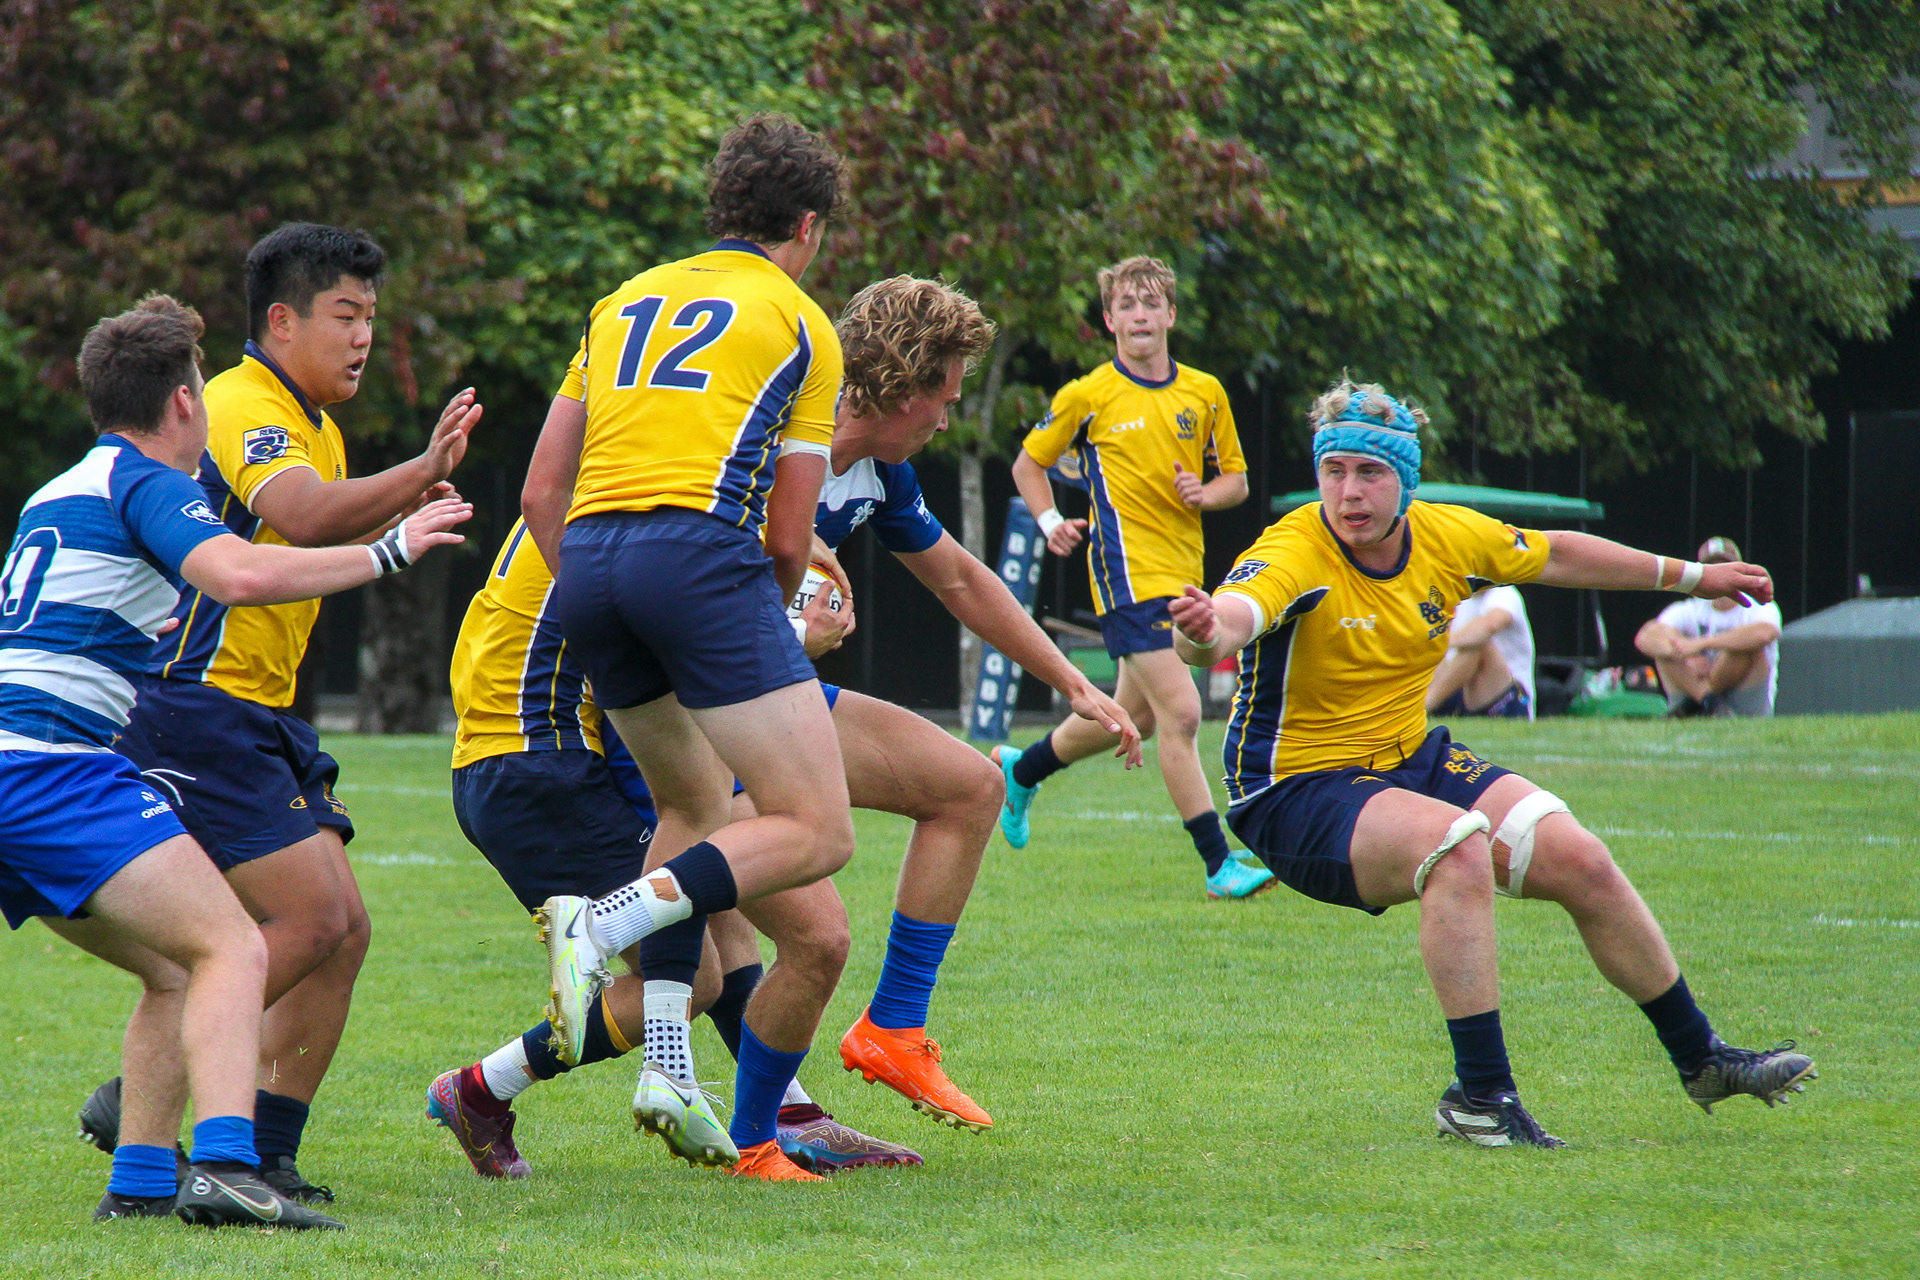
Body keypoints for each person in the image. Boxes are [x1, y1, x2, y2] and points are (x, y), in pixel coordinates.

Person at [1165, 378, 1817, 1147]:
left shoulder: (1445, 535)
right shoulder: (1293, 548)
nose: (1348, 491)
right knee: (1458, 848)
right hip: (1292, 790)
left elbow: (1557, 554)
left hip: (1407, 757)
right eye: (1332, 471)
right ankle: (1481, 1097)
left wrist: (1696, 577)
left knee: (1582, 859)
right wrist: (1202, 632)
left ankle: (1701, 1058)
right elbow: (1233, 619)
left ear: (1406, 479)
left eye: (1370, 472)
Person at [3, 295, 466, 1226]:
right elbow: (243, 573)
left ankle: (139, 1185)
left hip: (23, 767)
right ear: (184, 402)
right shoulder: (148, 481)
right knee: (234, 945)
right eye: (204, 392)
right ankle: (224, 1167)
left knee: (179, 967)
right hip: (50, 774)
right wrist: (388, 552)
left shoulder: (58, 490)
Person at [710, 277, 1141, 1159]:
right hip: (689, 721)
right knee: (791, 947)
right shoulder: (759, 442)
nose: (947, 418)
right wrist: (795, 635)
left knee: (971, 787)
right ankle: (741, 1139)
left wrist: (1072, 683)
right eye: (943, 397)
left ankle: (894, 1029)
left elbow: (960, 578)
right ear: (899, 387)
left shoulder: (880, 472)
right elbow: (690, 593)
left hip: (772, 700)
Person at [517, 114, 867, 1183]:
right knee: (818, 829)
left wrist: (598, 589)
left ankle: (668, 1061)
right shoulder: (803, 322)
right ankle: (600, 922)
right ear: (807, 225)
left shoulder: (623, 299)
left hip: (588, 564)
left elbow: (540, 489)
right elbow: (789, 536)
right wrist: (758, 624)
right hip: (699, 558)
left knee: (692, 806)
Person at [425, 516, 917, 1178]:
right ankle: (484, 1087)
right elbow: (660, 643)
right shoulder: (645, 509)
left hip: (533, 755)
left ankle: (789, 1116)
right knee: (696, 976)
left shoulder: (608, 496)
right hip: (545, 762)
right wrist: (795, 635)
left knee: (722, 911)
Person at [992, 255, 1266, 899]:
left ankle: (1022, 771)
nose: (1139, 314)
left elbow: (1236, 481)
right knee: (1184, 712)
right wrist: (1050, 521)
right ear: (1109, 320)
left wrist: (1204, 493)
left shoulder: (1205, 391)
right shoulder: (1087, 395)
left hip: (1183, 576)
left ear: (1170, 314)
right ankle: (1218, 866)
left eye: (1150, 303)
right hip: (1123, 575)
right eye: (1126, 304)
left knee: (1134, 720)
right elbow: (1029, 465)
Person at [1634, 537, 1782, 717]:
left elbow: (1764, 634)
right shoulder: (1692, 608)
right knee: (1665, 648)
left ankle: (1706, 704)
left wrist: (1701, 644)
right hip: (1697, 696)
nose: (1720, 575)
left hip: (1744, 703)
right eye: (1712, 568)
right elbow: (1646, 637)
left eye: (1725, 566)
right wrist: (1685, 654)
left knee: (1743, 647)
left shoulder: (1758, 606)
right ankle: (1709, 702)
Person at [1425, 583, 1535, 719]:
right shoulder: (1459, 600)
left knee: (1479, 642)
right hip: (1460, 692)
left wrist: (1441, 643)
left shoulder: (1504, 594)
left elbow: (1490, 626)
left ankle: (1424, 706)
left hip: (1508, 696)